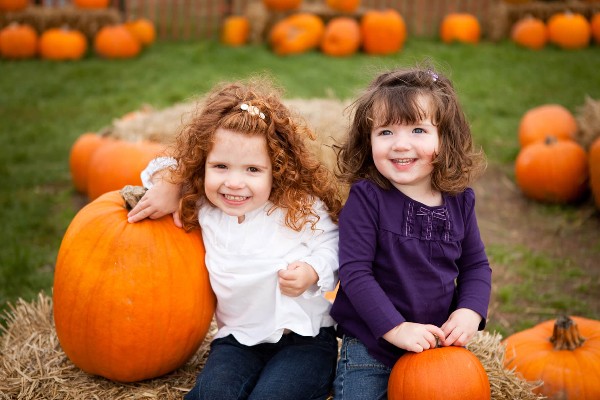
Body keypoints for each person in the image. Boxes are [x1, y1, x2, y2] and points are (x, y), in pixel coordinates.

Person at [127, 79, 343, 400]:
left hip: (304, 337)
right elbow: (160, 165)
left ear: (277, 170)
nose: (234, 182)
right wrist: (171, 184)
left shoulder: (297, 207)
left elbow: (335, 243)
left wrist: (312, 270)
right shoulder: (204, 205)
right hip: (237, 339)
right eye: (221, 166)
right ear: (202, 165)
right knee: (213, 393)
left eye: (253, 169)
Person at [329, 65, 492, 400]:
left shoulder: (459, 200)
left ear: (444, 139)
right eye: (386, 132)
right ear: (368, 140)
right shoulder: (367, 198)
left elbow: (476, 266)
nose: (401, 145)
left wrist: (469, 311)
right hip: (372, 346)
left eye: (418, 130)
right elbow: (355, 272)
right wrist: (395, 328)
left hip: (437, 344)